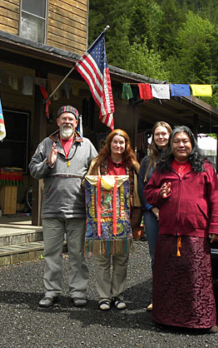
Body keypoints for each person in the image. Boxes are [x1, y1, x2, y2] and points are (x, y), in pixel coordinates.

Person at [144, 126, 218, 333]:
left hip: (196, 231)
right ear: (171, 145)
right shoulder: (162, 168)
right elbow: (148, 193)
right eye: (176, 141)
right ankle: (165, 319)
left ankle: (201, 321)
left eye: (185, 141)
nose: (181, 145)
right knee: (168, 277)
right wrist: (160, 193)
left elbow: (215, 199)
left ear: (192, 144)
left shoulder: (205, 168)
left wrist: (215, 226)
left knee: (196, 278)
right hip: (168, 231)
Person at [29, 105, 98, 308]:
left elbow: (97, 171)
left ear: (76, 123)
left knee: (77, 254)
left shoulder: (86, 145)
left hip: (78, 210)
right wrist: (47, 164)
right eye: (64, 118)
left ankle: (78, 292)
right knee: (51, 253)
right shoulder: (46, 144)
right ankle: (51, 291)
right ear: (57, 121)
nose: (67, 122)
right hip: (52, 209)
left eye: (71, 119)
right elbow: (33, 169)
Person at [85, 129, 141, 311]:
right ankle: (103, 296)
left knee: (121, 259)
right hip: (101, 220)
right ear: (109, 144)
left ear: (126, 145)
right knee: (102, 259)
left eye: (122, 142)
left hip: (124, 218)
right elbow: (86, 187)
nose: (118, 145)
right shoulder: (97, 163)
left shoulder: (133, 166)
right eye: (115, 142)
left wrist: (136, 218)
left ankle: (117, 294)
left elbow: (139, 193)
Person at [137, 121, 172, 312]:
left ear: (170, 135)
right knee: (155, 256)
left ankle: (174, 294)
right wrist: (152, 208)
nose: (161, 138)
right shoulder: (147, 161)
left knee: (175, 253)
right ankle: (157, 296)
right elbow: (142, 188)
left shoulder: (177, 157)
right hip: (152, 214)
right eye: (157, 134)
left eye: (164, 134)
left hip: (174, 212)